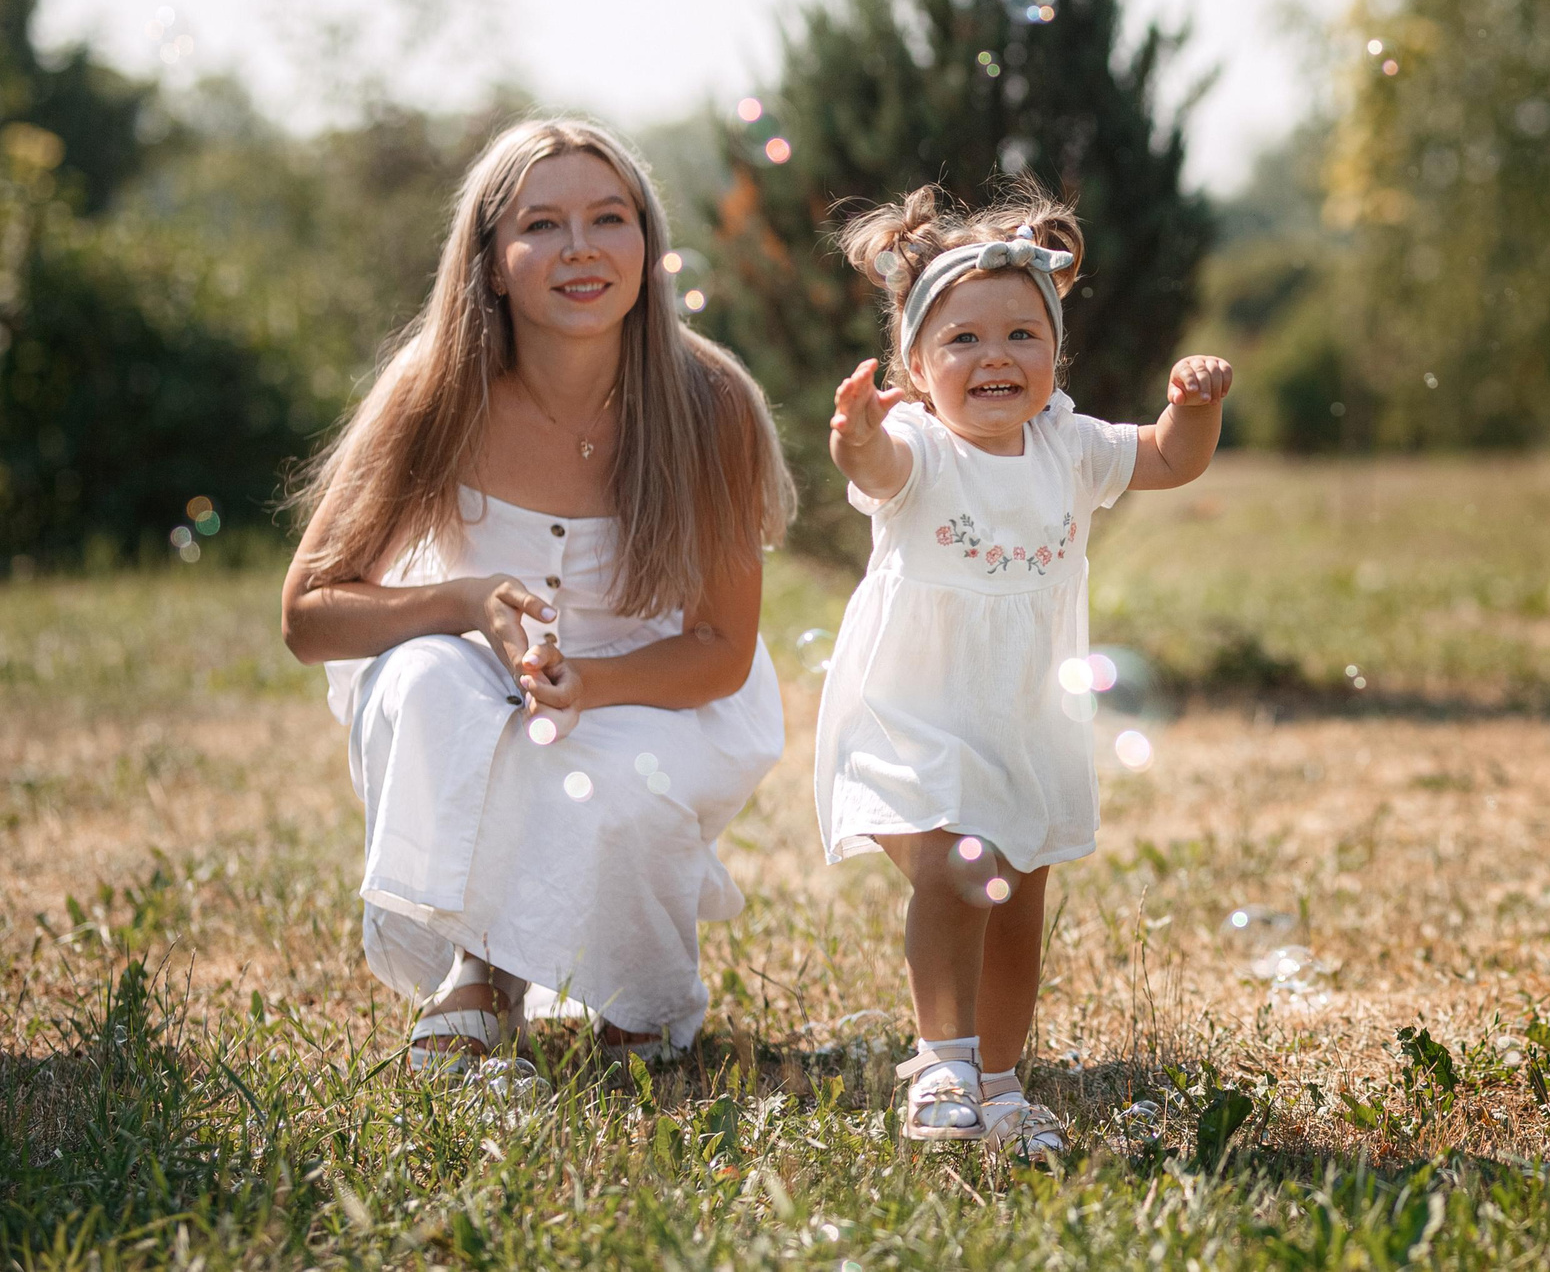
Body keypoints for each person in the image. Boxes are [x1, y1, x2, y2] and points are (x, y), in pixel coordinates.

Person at [280, 116, 794, 1080]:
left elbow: (722, 648)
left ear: (648, 243)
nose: (581, 248)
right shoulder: (435, 388)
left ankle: (642, 991)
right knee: (432, 684)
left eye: (610, 218)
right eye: (542, 225)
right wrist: (465, 601)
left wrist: (589, 683)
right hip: (478, 674)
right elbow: (309, 613)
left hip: (654, 683)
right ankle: (477, 970)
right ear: (491, 263)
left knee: (617, 769)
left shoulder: (707, 400)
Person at [816, 182, 1230, 1157]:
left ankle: (1000, 1086)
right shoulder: (919, 449)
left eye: (1021, 336)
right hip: (917, 713)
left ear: (1056, 354)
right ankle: (942, 1063)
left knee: (1017, 901)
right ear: (916, 367)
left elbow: (1171, 460)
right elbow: (876, 473)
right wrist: (858, 436)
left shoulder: (1071, 447)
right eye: (962, 340)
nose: (995, 356)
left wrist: (1194, 408)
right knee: (957, 868)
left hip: (1026, 720)